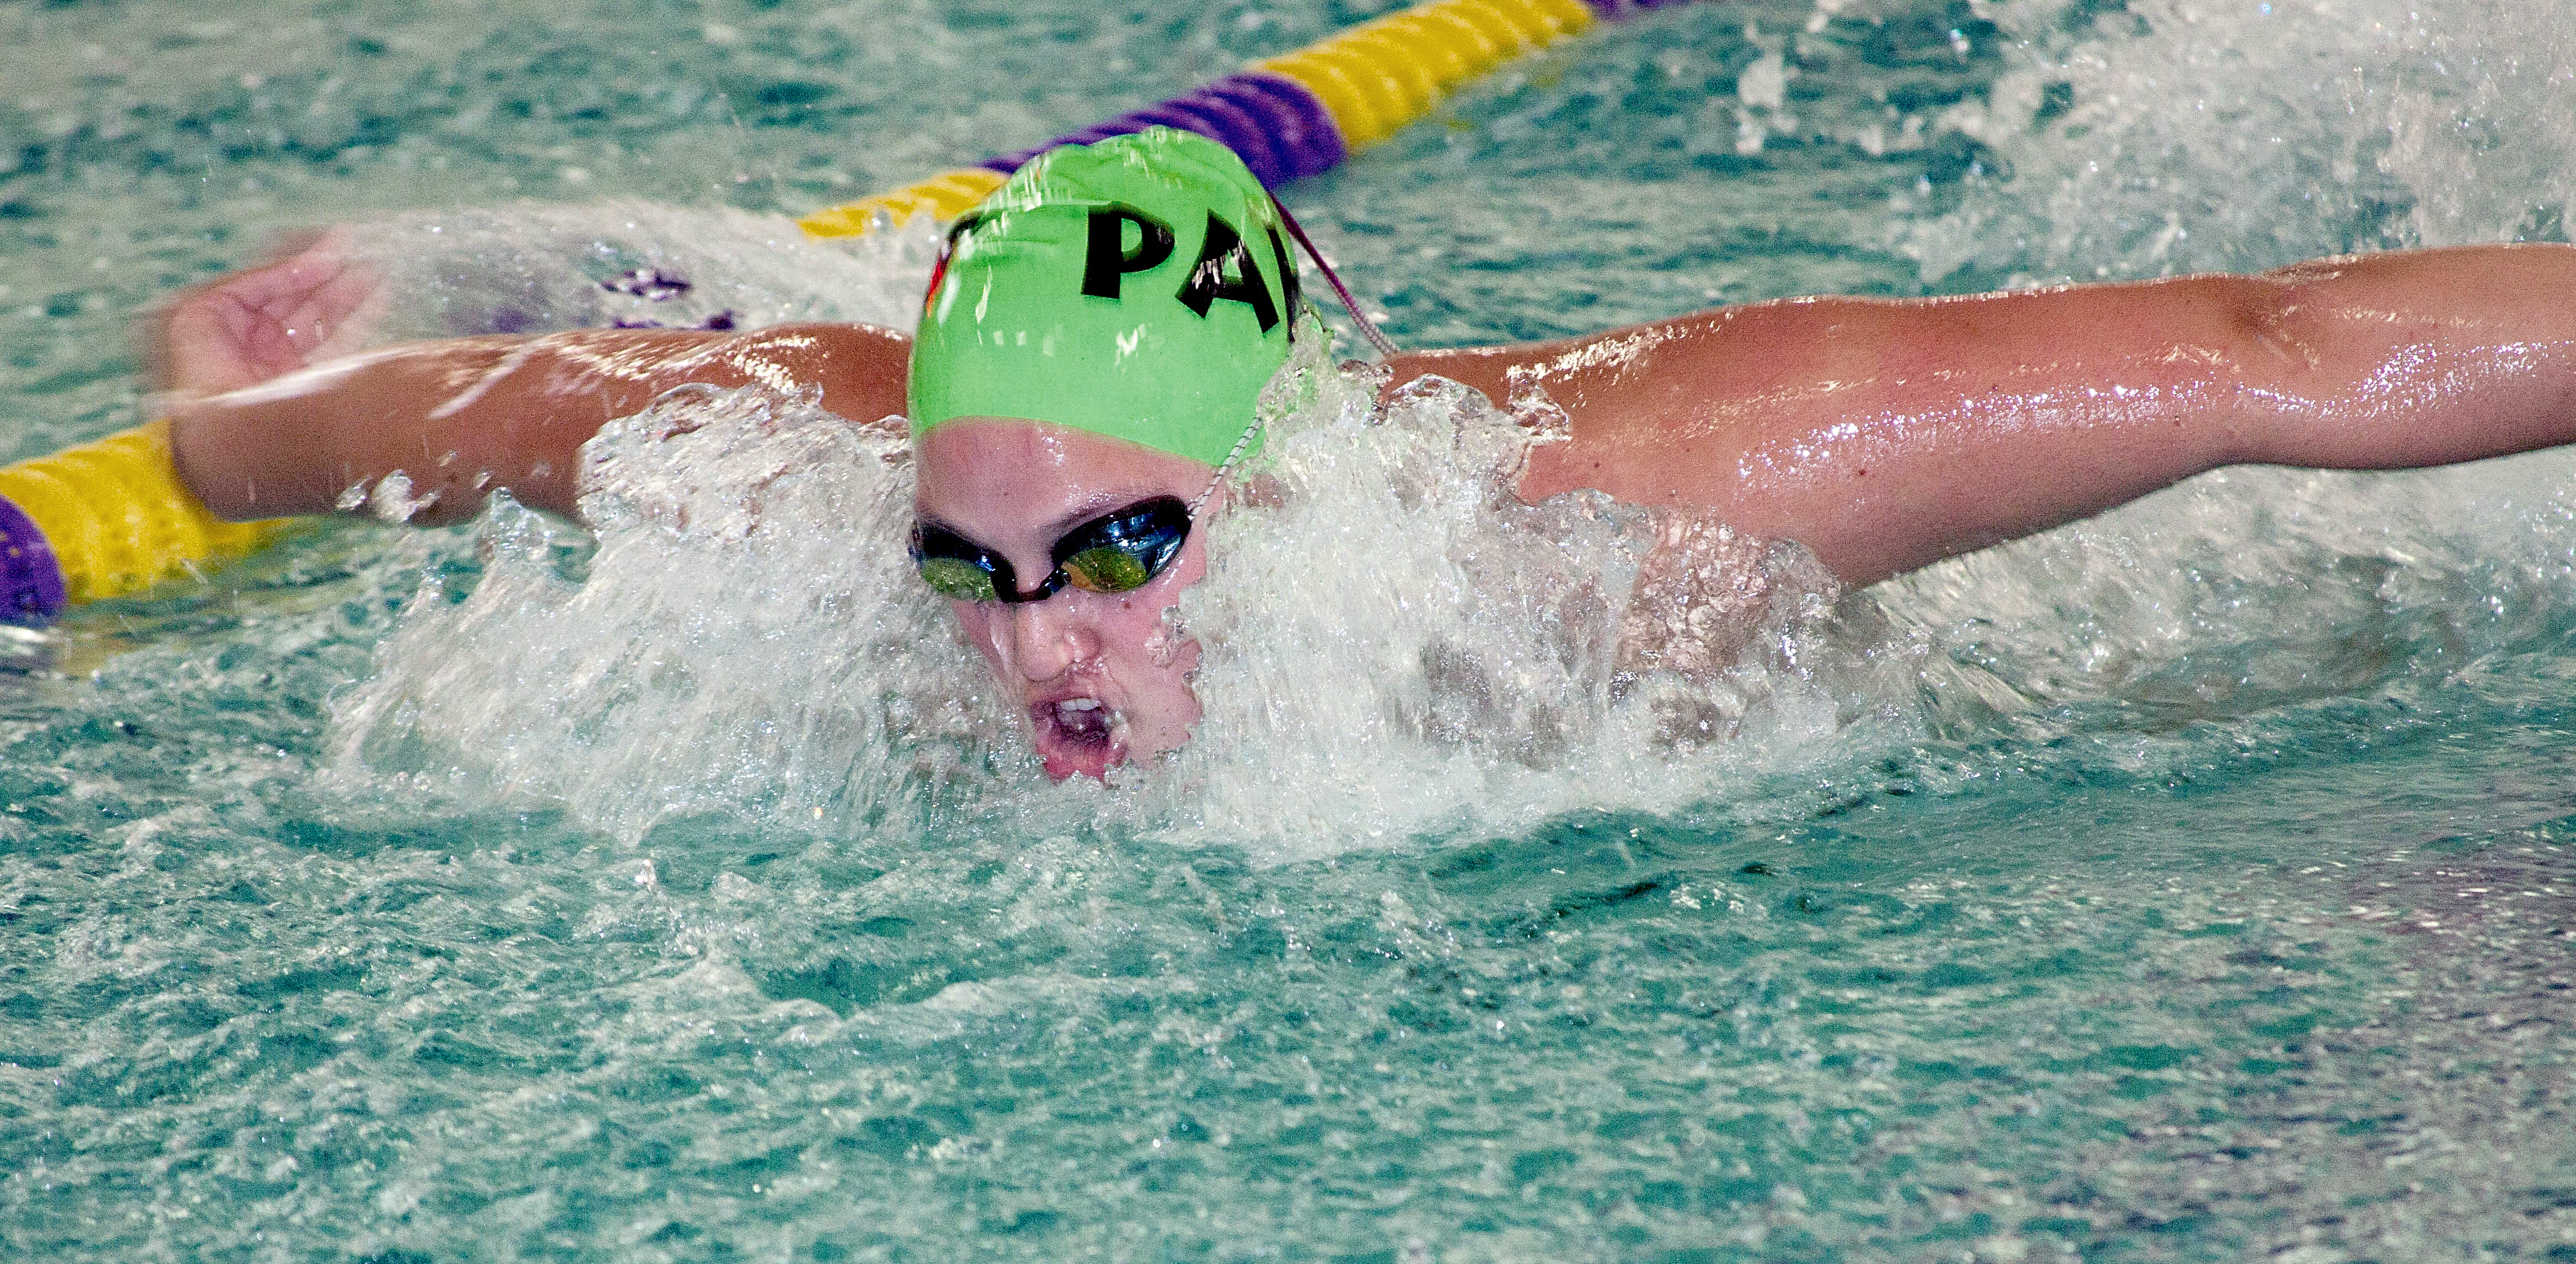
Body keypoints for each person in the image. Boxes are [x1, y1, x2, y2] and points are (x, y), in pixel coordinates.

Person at [109, 128, 2576, 779]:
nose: (1046, 637)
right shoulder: (810, 473)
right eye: (977, 561)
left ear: (1285, 489)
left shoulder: (1651, 495)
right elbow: (443, 423)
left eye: (1123, 545)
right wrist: (228, 410)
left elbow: (2277, 344)